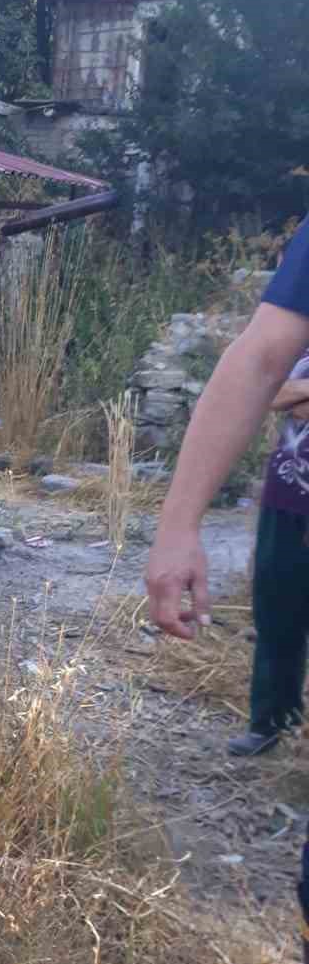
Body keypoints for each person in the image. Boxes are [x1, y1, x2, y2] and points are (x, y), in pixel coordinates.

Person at [147, 223, 309, 754]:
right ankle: (270, 721)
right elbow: (264, 365)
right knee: (278, 607)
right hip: (293, 491)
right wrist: (176, 527)